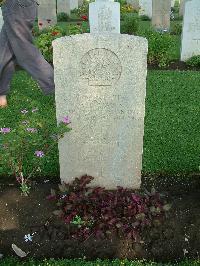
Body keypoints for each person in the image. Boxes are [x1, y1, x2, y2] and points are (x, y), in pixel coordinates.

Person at [0, 0, 55, 108]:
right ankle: (1, 97)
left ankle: (59, 89)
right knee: (4, 50)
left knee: (25, 51)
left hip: (16, 5)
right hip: (18, 5)